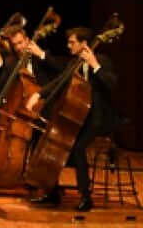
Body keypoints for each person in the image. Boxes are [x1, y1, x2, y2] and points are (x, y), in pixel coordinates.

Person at [25, 27, 118, 212]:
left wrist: (95, 65)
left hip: (99, 118)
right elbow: (59, 82)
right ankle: (52, 191)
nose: (68, 46)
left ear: (84, 44)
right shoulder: (73, 63)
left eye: (72, 42)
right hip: (80, 116)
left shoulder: (102, 61)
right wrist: (39, 95)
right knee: (58, 143)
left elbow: (111, 84)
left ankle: (85, 197)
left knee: (78, 147)